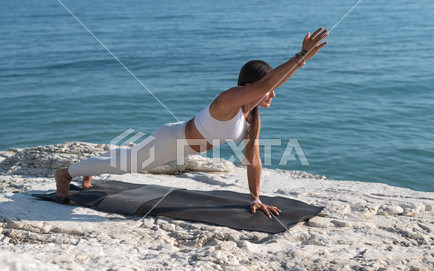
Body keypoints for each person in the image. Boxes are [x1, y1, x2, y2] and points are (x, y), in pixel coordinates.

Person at [55, 27, 329, 218]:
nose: (274, 92)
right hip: (170, 141)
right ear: (250, 86)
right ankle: (66, 173)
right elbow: (269, 82)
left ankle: (88, 168)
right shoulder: (229, 100)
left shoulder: (252, 119)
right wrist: (300, 57)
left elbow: (253, 160)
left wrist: (255, 199)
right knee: (127, 166)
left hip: (180, 148)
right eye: (268, 89)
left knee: (127, 158)